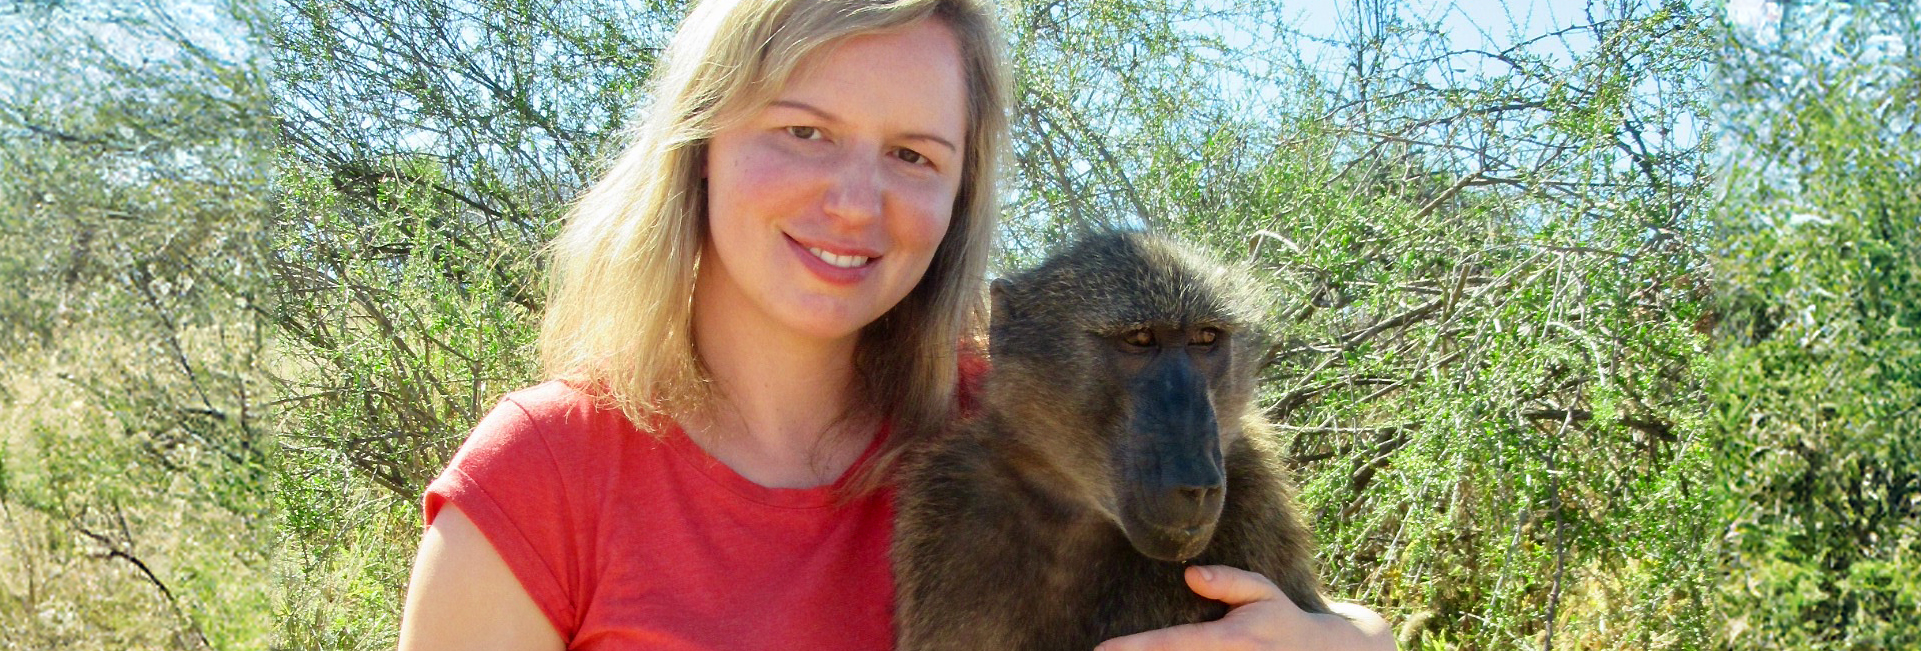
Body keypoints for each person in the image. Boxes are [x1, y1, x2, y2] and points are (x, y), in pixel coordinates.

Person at [396, 0, 1396, 649]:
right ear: (699, 145)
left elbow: (1301, 616)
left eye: (913, 154)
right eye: (804, 132)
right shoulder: (548, 476)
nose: (853, 201)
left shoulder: (1013, 427)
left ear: (962, 191)